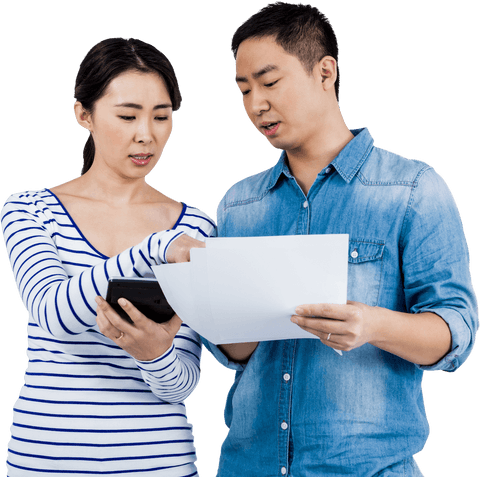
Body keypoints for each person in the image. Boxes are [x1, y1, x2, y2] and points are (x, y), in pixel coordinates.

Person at [202, 2, 479, 476]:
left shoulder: (411, 190)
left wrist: (372, 325)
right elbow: (235, 352)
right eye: (244, 90)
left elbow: (456, 332)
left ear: (325, 72)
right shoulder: (238, 205)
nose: (255, 105)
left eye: (269, 82)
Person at [1, 37, 214, 476]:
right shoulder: (29, 210)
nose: (146, 134)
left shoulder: (195, 228)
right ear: (84, 114)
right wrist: (155, 248)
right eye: (127, 116)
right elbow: (53, 312)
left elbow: (182, 385)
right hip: (46, 463)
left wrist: (155, 355)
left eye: (161, 116)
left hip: (158, 463)